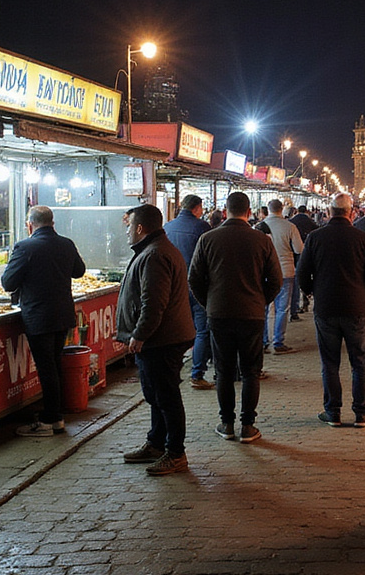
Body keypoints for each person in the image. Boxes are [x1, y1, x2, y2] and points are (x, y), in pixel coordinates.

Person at [188, 191, 282, 443]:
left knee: (224, 370)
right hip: (252, 315)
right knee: (251, 371)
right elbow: (276, 280)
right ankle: (248, 426)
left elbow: (194, 278)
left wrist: (209, 302)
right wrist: (260, 300)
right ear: (249, 212)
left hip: (219, 314)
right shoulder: (261, 240)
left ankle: (227, 423)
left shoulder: (208, 239)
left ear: (225, 211)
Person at [117, 204, 196, 475]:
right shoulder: (154, 250)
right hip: (162, 337)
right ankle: (156, 443)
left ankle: (175, 452)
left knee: (166, 396)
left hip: (163, 340)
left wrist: (140, 334)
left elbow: (153, 303)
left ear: (140, 228)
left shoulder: (155, 254)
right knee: (156, 395)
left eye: (129, 226)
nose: (127, 231)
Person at [297, 191, 365, 427]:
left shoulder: (315, 238)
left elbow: (302, 273)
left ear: (328, 212)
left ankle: (332, 412)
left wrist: (312, 292)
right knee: (360, 362)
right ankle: (362, 412)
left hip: (326, 307)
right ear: (351, 213)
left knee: (330, 363)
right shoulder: (363, 238)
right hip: (357, 308)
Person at [2, 206, 87, 436]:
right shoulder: (66, 244)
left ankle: (50, 420)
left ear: (30, 225)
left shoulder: (25, 247)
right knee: (54, 364)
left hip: (39, 317)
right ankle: (56, 418)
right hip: (62, 315)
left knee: (47, 367)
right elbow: (79, 271)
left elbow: (8, 283)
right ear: (53, 223)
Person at [164, 194, 213, 389]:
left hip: (174, 287)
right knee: (202, 330)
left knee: (178, 330)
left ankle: (173, 372)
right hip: (197, 287)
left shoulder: (167, 227)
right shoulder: (202, 228)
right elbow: (208, 260)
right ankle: (197, 373)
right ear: (197, 208)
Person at [258, 198, 303, 353]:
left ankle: (263, 341)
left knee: (264, 307)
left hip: (263, 272)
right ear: (282, 209)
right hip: (285, 270)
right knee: (282, 308)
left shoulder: (259, 227)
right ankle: (278, 342)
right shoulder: (290, 226)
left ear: (268, 209)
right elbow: (299, 249)